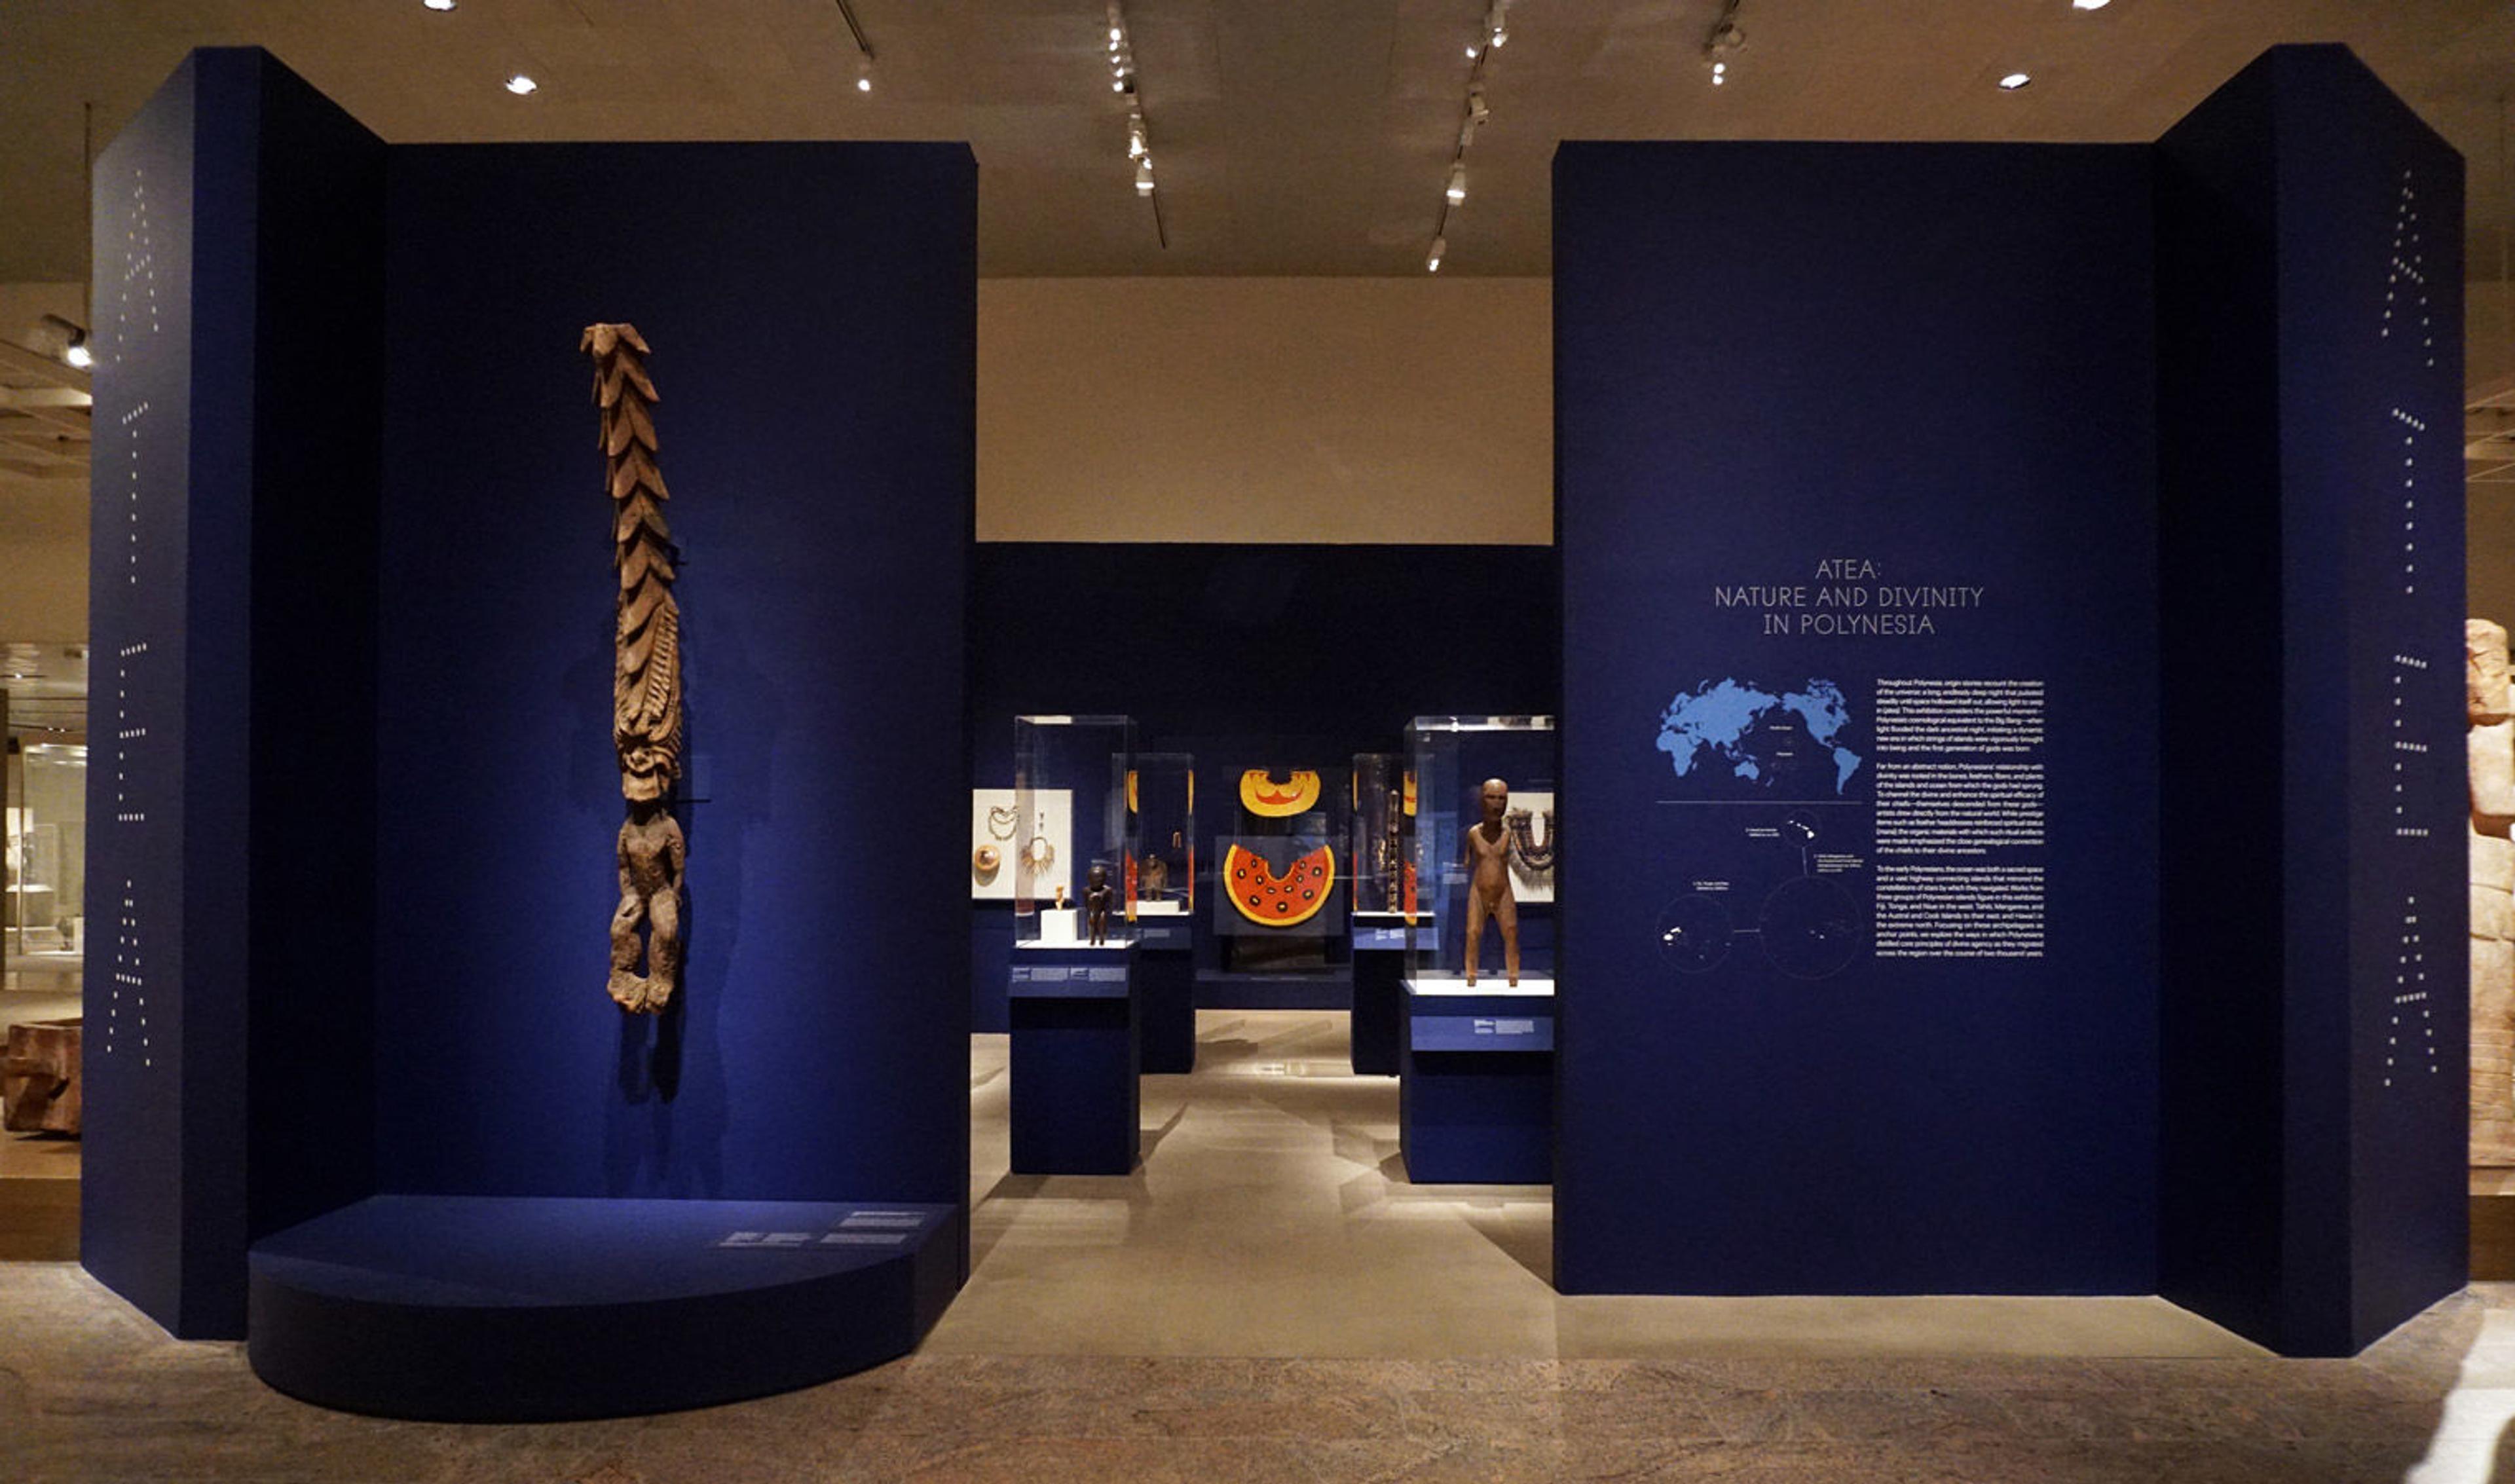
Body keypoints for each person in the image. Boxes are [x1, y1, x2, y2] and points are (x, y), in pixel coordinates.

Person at [1462, 777, 1519, 986]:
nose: (1497, 804)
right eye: (1491, 797)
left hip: (1503, 890)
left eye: (1501, 798)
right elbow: (1466, 863)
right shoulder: (1473, 834)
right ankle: (1471, 978)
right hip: (1479, 890)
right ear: (1481, 800)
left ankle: (1513, 979)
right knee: (1473, 933)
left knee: (1511, 932)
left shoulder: (1508, 834)